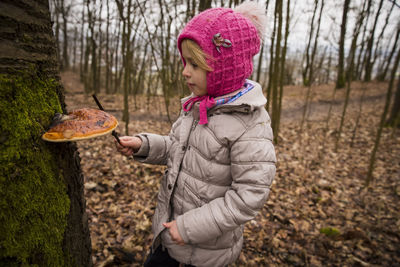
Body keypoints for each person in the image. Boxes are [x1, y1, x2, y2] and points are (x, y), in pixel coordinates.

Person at [115, 1, 276, 266]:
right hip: (168, 236)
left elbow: (249, 196)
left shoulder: (250, 124)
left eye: (195, 64)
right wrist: (144, 145)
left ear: (225, 68)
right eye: (185, 62)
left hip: (202, 254)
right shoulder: (197, 105)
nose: (184, 71)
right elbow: (180, 149)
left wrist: (188, 228)